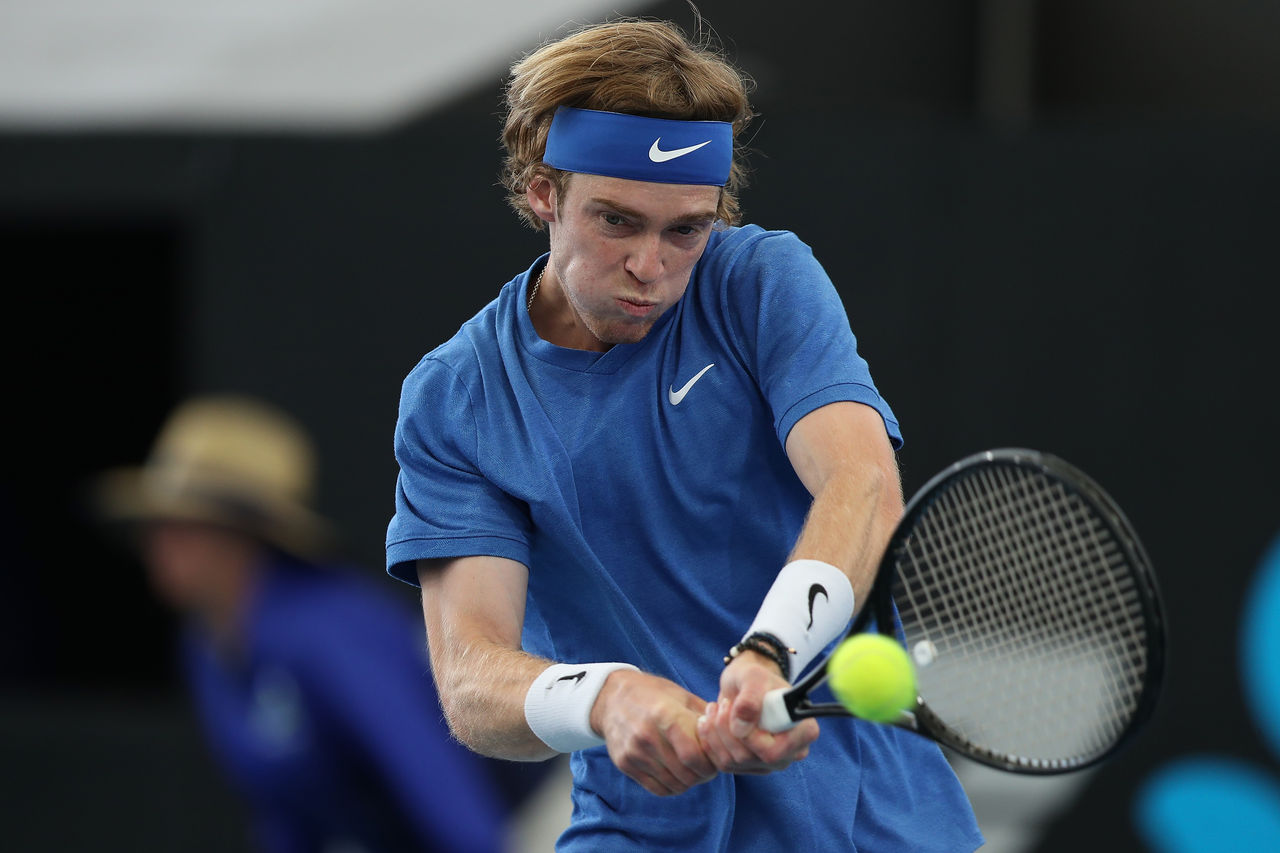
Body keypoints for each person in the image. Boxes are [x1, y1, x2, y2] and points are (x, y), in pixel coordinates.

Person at [385, 15, 983, 852]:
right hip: (635, 829)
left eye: (685, 230)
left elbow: (862, 483)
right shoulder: (457, 397)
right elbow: (470, 680)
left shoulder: (761, 282)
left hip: (871, 824)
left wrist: (771, 654)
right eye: (616, 221)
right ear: (543, 191)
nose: (650, 266)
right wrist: (606, 697)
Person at [92, 393, 525, 853]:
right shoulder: (203, 648)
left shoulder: (330, 629)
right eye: (156, 522)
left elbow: (450, 803)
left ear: (243, 535)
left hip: (532, 820)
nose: (158, 540)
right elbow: (285, 813)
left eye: (186, 523)